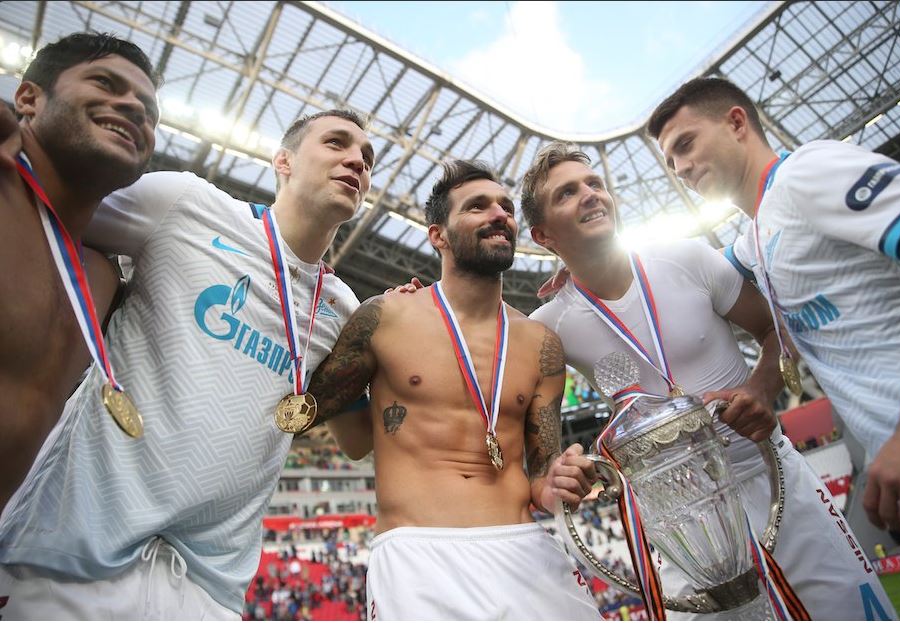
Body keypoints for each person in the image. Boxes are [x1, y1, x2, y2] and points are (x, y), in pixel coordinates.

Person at [0, 109, 375, 619]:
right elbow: (49, 211)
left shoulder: (340, 309)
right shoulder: (185, 204)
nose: (356, 159)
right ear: (282, 160)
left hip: (207, 591)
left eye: (367, 157)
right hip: (70, 560)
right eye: (336, 143)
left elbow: (358, 441)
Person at [520, 142, 897, 620]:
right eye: (567, 193)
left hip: (771, 476)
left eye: (594, 184)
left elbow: (774, 331)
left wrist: (760, 391)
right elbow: (504, 373)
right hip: (680, 515)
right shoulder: (549, 324)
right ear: (543, 234)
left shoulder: (686, 257)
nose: (591, 195)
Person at [648, 76, 900, 567]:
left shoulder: (808, 171)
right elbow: (683, 273)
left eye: (685, 144)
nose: (679, 167)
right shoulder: (758, 238)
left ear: (737, 122)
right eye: (670, 161)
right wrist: (587, 262)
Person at [304, 160, 603, 620]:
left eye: (505, 206)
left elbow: (541, 472)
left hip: (524, 550)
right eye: (477, 207)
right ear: (437, 235)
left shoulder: (542, 344)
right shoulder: (385, 317)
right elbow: (312, 413)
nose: (498, 214)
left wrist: (558, 482)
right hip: (419, 557)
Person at [0, 32, 160, 512]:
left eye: (149, 110)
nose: (133, 107)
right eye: (105, 83)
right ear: (28, 97)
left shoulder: (101, 278)